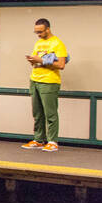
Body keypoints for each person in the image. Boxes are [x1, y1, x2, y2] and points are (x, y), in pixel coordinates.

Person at [23, 17, 68, 152]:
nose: (39, 35)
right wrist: (33, 60)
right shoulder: (38, 43)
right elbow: (37, 59)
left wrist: (41, 60)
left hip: (49, 81)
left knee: (50, 113)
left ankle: (53, 141)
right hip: (35, 79)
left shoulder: (57, 43)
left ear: (48, 29)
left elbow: (61, 64)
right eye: (36, 32)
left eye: (41, 32)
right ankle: (38, 139)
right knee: (37, 112)